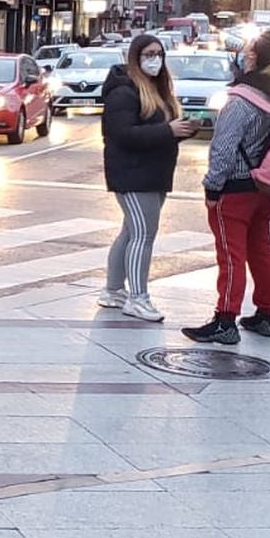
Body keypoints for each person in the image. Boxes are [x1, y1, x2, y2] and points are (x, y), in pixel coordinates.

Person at [184, 29, 270, 344]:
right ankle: (266, 314)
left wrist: (212, 188)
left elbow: (223, 148)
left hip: (234, 188)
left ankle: (225, 320)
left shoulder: (241, 99)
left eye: (246, 49)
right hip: (264, 185)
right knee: (261, 250)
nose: (241, 53)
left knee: (231, 255)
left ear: (254, 58)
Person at [99, 34, 196, 322]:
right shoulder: (124, 92)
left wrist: (179, 130)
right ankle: (137, 298)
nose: (155, 60)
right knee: (143, 235)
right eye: (149, 54)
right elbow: (122, 134)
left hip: (152, 172)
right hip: (133, 174)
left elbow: (152, 130)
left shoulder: (156, 89)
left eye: (159, 54)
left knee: (131, 232)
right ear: (136, 57)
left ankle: (114, 289)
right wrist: (168, 131)